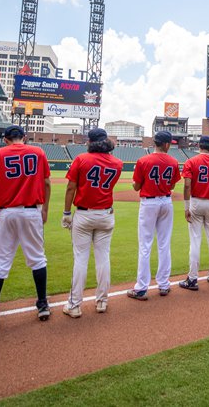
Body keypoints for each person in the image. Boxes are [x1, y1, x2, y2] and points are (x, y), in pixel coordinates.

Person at [0, 125, 52, 331]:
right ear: (24, 138)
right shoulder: (38, 152)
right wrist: (44, 209)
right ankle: (42, 305)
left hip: (6, 212)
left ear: (5, 139)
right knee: (37, 258)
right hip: (32, 211)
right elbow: (47, 183)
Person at [61, 128, 123, 318]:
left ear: (90, 141)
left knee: (80, 259)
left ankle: (75, 305)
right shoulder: (118, 163)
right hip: (105, 214)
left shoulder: (81, 159)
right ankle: (102, 301)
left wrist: (66, 212)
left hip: (84, 214)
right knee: (103, 258)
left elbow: (71, 187)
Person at [128, 131, 180, 300]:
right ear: (166, 144)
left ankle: (142, 288)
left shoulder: (143, 160)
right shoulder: (173, 161)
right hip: (166, 202)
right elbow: (172, 184)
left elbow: (136, 187)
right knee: (164, 243)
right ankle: (164, 284)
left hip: (149, 203)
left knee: (145, 245)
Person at [180, 135, 209, 290]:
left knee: (195, 240)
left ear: (199, 145)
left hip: (196, 202)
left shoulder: (191, 161)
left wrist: (186, 207)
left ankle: (192, 279)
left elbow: (187, 185)